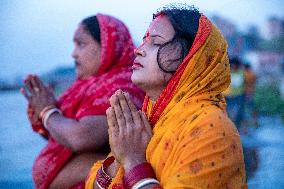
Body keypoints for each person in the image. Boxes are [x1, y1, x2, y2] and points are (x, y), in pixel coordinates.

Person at [86, 5, 247, 189]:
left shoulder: (211, 129)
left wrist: (132, 161)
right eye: (144, 40)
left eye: (156, 41)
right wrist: (118, 158)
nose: (138, 50)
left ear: (191, 57)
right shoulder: (145, 121)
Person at [21, 13, 145, 189]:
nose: (73, 53)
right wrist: (44, 111)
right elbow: (63, 135)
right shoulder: (86, 85)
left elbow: (80, 137)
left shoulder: (122, 85)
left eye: (81, 44)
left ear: (108, 47)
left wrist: (47, 111)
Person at [223, 57, 246, 129]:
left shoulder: (242, 73)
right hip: (227, 96)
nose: (233, 67)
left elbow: (244, 84)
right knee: (226, 113)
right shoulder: (226, 71)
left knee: (237, 113)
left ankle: (236, 127)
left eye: (234, 65)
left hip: (238, 96)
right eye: (232, 65)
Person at [244, 63, 258, 128]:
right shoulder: (253, 74)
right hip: (251, 92)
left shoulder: (246, 74)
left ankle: (250, 123)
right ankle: (255, 121)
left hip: (247, 93)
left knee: (248, 108)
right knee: (251, 107)